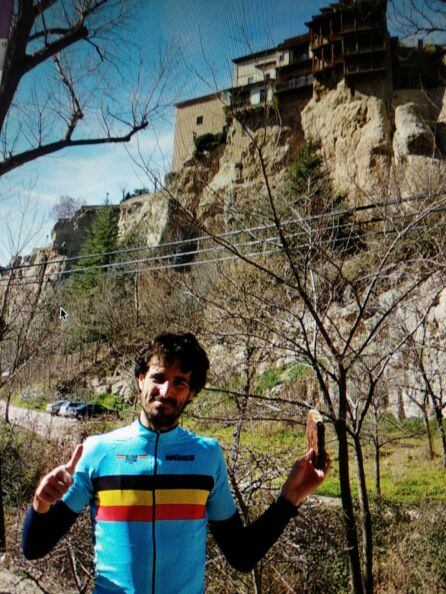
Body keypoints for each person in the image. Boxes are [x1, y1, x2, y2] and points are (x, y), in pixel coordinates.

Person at [22, 332, 330, 593]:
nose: (166, 390)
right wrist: (41, 501)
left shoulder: (206, 456)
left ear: (192, 393)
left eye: (180, 382)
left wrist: (291, 497)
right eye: (158, 377)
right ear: (140, 380)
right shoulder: (97, 452)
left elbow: (241, 554)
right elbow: (34, 547)